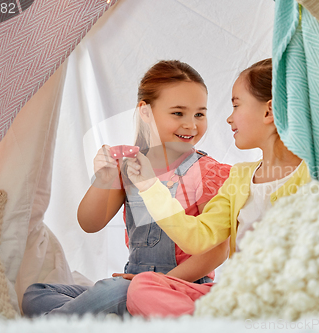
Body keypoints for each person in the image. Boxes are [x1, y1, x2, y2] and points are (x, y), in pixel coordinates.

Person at [21, 60, 231, 318]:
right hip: (130, 283)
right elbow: (90, 223)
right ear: (145, 113)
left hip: (180, 287)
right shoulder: (131, 168)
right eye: (178, 113)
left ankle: (63, 321)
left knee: (113, 292)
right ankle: (109, 316)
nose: (191, 124)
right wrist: (104, 177)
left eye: (199, 113)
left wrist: (155, 285)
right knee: (36, 293)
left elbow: (218, 250)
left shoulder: (209, 172)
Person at [125, 58, 312, 317]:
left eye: (236, 105)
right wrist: (149, 186)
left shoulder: (313, 175)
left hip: (288, 301)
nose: (228, 118)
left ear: (269, 112)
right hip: (240, 299)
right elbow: (197, 237)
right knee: (143, 286)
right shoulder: (239, 178)